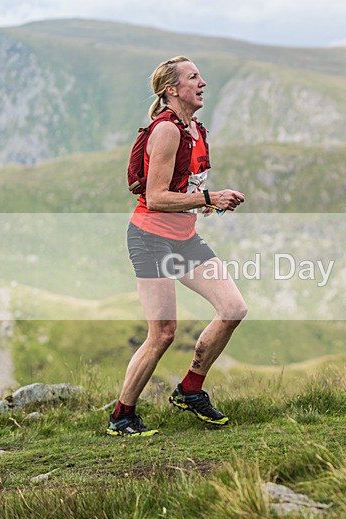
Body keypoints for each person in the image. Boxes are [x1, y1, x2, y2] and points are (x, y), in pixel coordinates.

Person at [107, 56, 248, 437]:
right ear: (171, 89)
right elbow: (155, 197)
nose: (203, 83)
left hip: (184, 238)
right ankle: (122, 416)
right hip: (151, 239)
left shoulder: (196, 130)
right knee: (163, 333)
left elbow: (184, 188)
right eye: (193, 77)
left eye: (200, 76)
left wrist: (207, 204)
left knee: (233, 308)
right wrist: (209, 197)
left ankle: (190, 389)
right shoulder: (167, 130)